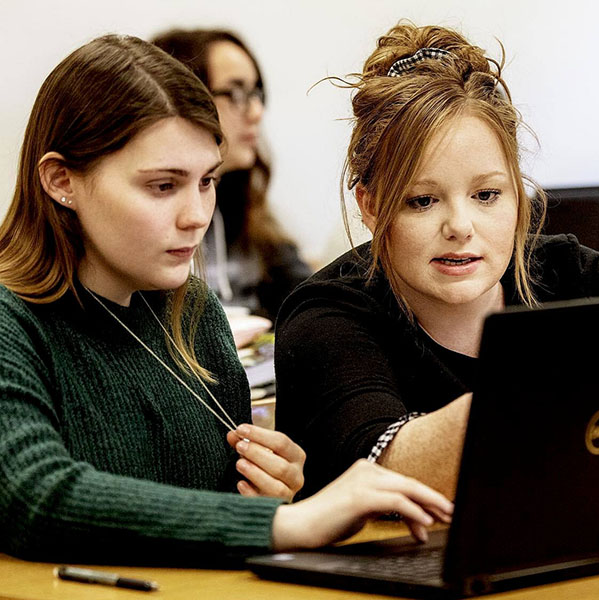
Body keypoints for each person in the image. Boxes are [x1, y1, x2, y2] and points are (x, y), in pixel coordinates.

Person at [0, 34, 452, 565]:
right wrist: (286, 521)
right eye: (163, 186)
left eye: (206, 181)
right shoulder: (14, 320)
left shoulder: (192, 312)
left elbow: (211, 518)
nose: (196, 214)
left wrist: (268, 491)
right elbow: (34, 497)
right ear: (60, 180)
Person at [274, 22, 599, 500]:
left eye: (487, 194)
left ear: (517, 196)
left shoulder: (567, 271)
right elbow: (388, 466)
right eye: (422, 200)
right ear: (372, 205)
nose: (460, 226)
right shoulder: (325, 316)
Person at [151, 29, 312, 321]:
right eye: (235, 93)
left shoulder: (246, 204)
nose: (256, 112)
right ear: (182, 97)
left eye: (256, 93)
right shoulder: (151, 220)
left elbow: (308, 295)